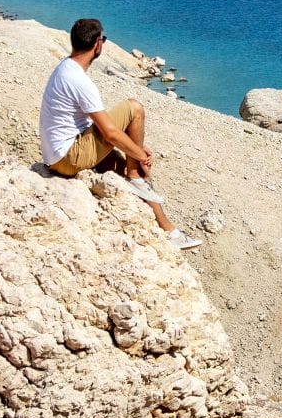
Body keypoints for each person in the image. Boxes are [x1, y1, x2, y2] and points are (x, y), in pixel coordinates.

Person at [40, 18, 200, 250]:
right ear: (97, 44)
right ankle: (136, 176)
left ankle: (169, 231)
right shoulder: (79, 80)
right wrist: (140, 154)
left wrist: (134, 151)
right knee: (134, 108)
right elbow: (111, 133)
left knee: (125, 168)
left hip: (59, 156)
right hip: (68, 156)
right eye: (102, 39)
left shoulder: (64, 68)